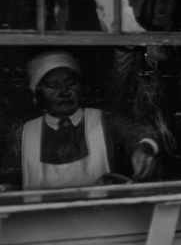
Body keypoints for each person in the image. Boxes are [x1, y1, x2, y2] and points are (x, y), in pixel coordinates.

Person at [4, 50, 159, 189]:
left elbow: (142, 133)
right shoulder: (22, 135)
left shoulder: (105, 120)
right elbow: (7, 180)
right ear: (37, 95)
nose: (64, 92)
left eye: (71, 83)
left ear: (81, 87)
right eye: (52, 86)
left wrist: (146, 146)